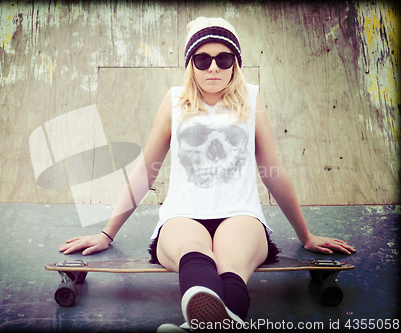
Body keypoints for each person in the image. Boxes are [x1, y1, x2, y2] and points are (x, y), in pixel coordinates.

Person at [59, 17, 356, 331]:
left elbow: (273, 171)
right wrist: (107, 232)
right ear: (191, 64)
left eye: (223, 58)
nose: (213, 67)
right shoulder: (174, 101)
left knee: (230, 266)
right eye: (203, 59)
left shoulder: (251, 99)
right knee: (194, 255)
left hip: (240, 214)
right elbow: (147, 170)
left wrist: (305, 235)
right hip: (183, 215)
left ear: (234, 63)